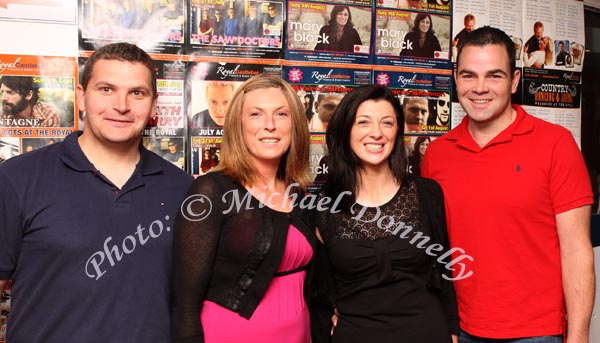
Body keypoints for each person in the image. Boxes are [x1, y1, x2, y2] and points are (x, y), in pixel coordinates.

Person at [0, 43, 193, 341]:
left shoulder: (183, 188)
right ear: (81, 97)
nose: (121, 105)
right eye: (106, 89)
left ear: (154, 105)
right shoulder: (17, 178)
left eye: (137, 93)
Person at [422, 26, 594, 342]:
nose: (480, 87)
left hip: (536, 332)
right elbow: (428, 248)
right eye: (469, 75)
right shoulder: (437, 153)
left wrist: (579, 334)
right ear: (456, 78)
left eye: (494, 76)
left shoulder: (556, 144)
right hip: (459, 328)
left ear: (514, 81)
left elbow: (576, 250)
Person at [171, 73, 316, 342]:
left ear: (295, 124)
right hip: (231, 333)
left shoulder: (299, 193)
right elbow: (184, 306)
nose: (270, 125)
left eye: (281, 114)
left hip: (299, 334)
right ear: (238, 125)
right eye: (256, 115)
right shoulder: (211, 191)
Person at [315, 85, 459, 342]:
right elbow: (321, 289)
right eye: (363, 122)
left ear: (397, 131)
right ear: (345, 130)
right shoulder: (323, 207)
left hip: (427, 332)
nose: (377, 133)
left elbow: (445, 276)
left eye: (387, 123)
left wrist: (453, 334)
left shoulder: (427, 194)